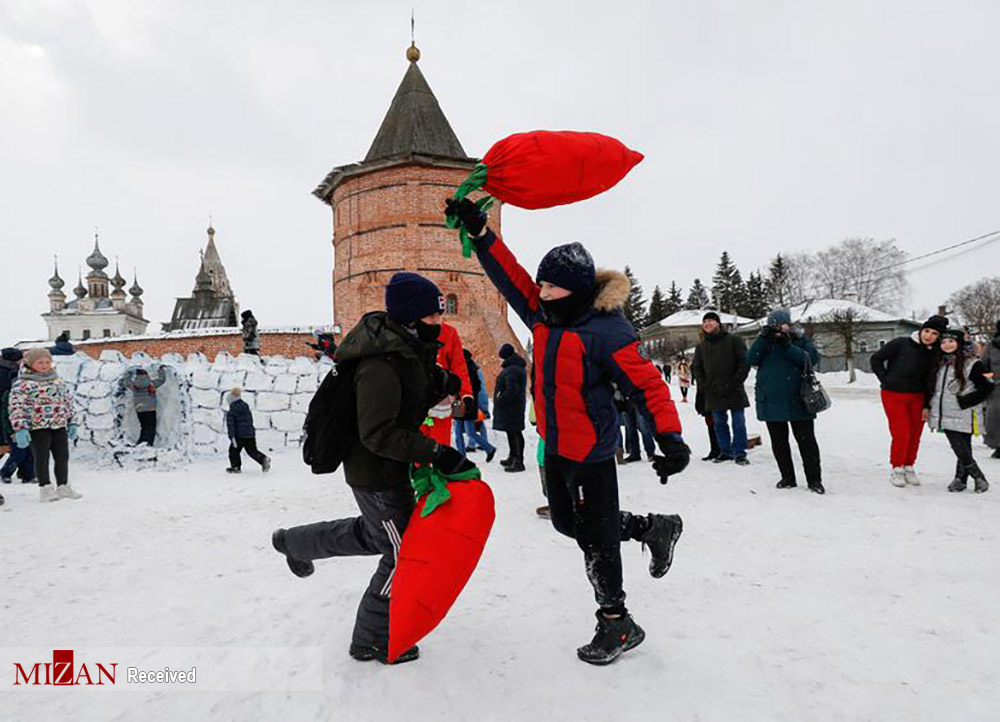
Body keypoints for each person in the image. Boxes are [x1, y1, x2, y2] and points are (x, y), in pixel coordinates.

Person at [447, 197, 690, 666]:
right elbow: (510, 276)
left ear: (575, 290)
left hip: (593, 452)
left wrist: (670, 438)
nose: (540, 291)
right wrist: (480, 234)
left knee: (596, 539)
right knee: (566, 524)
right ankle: (651, 528)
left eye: (551, 286)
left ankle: (617, 622)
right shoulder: (542, 314)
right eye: (541, 283)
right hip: (555, 445)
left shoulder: (607, 331)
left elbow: (646, 386)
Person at [272, 272, 475, 665]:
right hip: (376, 474)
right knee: (401, 554)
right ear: (414, 319)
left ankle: (294, 542)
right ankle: (372, 639)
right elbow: (379, 434)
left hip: (390, 470)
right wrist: (437, 453)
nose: (441, 324)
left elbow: (412, 382)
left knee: (374, 536)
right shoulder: (379, 365)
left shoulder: (405, 348)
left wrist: (440, 381)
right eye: (434, 317)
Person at [747, 309, 824, 494]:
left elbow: (810, 359)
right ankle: (787, 477)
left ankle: (814, 480)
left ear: (789, 324)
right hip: (771, 400)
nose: (780, 329)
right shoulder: (765, 342)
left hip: (799, 398)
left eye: (782, 324)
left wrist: (787, 346)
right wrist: (762, 339)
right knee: (779, 442)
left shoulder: (800, 339)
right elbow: (750, 359)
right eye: (775, 325)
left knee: (807, 442)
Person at [870, 315, 947, 487]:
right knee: (902, 432)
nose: (928, 336)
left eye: (934, 333)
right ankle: (897, 468)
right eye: (926, 331)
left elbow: (930, 381)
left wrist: (927, 405)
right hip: (893, 394)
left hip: (918, 397)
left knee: (915, 434)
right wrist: (885, 379)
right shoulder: (901, 343)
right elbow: (876, 359)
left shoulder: (935, 353)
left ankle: (909, 466)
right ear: (921, 330)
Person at [8, 348, 82, 503]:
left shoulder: (57, 380)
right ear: (30, 364)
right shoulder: (22, 384)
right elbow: (16, 406)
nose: (44, 365)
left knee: (62, 457)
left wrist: (72, 421)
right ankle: (45, 488)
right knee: (42, 458)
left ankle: (63, 486)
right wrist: (20, 428)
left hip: (59, 424)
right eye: (40, 362)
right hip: (37, 426)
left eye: (47, 362)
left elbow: (67, 402)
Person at [925, 329, 993, 493]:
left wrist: (965, 401)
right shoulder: (940, 363)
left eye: (951, 341)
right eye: (943, 342)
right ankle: (960, 479)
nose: (947, 345)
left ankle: (978, 476)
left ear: (959, 343)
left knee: (960, 446)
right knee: (961, 446)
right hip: (945, 412)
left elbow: (988, 386)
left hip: (965, 411)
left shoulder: (973, 363)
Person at [692, 311, 751, 465]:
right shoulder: (701, 346)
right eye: (705, 322)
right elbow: (696, 368)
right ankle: (725, 451)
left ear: (718, 323)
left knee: (738, 423)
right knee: (719, 423)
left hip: (734, 389)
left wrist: (736, 381)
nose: (707, 324)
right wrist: (704, 384)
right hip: (713, 391)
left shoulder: (733, 340)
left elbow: (744, 363)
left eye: (710, 321)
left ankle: (740, 453)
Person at [422, 322, 474, 448]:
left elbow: (459, 366)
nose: (435, 319)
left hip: (441, 401)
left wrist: (466, 394)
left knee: (441, 446)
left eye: (438, 314)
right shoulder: (408, 329)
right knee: (416, 448)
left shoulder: (448, 332)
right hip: (415, 400)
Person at [453, 349, 496, 461]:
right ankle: (462, 457)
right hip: (461, 402)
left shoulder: (471, 371)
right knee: (460, 431)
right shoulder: (467, 370)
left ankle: (489, 448)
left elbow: (479, 391)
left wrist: (483, 407)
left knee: (468, 432)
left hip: (468, 403)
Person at [2, 349, 36, 484]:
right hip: (11, 425)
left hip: (26, 423)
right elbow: (6, 413)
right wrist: (10, 430)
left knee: (29, 451)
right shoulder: (8, 396)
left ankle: (28, 475)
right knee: (19, 451)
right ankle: (5, 472)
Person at [494, 343, 528, 472]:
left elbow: (512, 389)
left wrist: (500, 400)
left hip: (512, 407)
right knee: (513, 432)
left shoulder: (512, 369)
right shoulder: (515, 367)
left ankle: (518, 462)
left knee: (514, 433)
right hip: (515, 407)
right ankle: (513, 457)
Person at [224, 388, 270, 473]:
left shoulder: (232, 411)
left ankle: (236, 467)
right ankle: (263, 459)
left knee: (233, 451)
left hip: (239, 436)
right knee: (252, 451)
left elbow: (231, 425)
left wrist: (232, 437)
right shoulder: (245, 406)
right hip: (250, 434)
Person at [126, 366, 167, 446]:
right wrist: (160, 370)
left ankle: (141, 443)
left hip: (139, 408)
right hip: (150, 408)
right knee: (151, 428)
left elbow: (126, 382)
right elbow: (162, 380)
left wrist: (128, 372)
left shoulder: (134, 385)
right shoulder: (151, 384)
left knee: (144, 427)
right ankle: (148, 444)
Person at [983, 320, 1000, 459]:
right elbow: (985, 366)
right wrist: (989, 381)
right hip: (996, 387)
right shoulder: (991, 346)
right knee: (994, 417)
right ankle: (997, 445)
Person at [622, 398, 656, 462]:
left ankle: (650, 452)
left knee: (643, 427)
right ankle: (634, 452)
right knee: (630, 427)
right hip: (625, 401)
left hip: (638, 399)